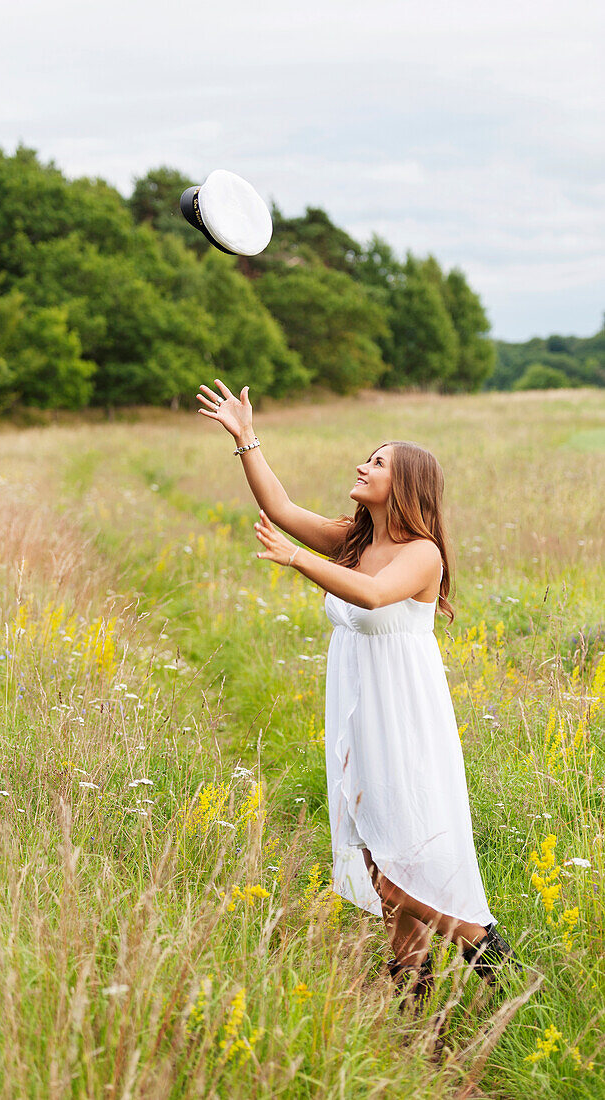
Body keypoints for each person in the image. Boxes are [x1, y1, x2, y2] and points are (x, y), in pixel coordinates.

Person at [197, 378, 523, 1012]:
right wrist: (246, 440)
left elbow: (372, 597)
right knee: (384, 863)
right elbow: (283, 509)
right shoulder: (355, 541)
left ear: (404, 486)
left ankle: (486, 946)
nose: (361, 465)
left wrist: (295, 563)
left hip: (406, 722)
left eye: (377, 463)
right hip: (361, 720)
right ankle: (415, 1017)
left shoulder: (421, 554)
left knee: (400, 870)